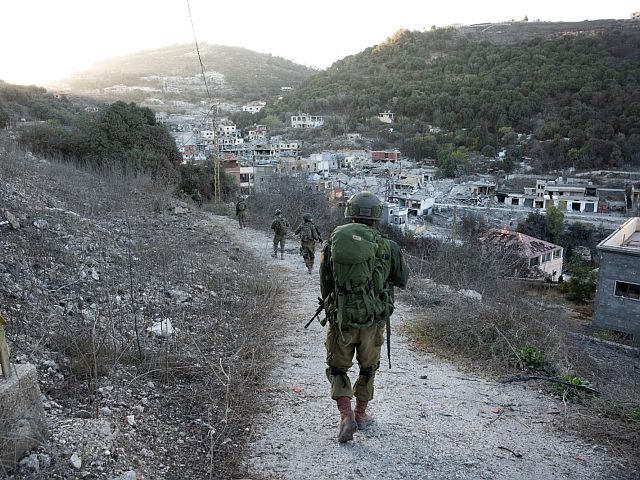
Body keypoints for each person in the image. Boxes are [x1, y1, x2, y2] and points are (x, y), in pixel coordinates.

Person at [319, 191, 409, 443]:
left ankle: (346, 415)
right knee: (368, 368)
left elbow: (325, 284)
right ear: (377, 216)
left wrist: (335, 307)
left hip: (342, 318)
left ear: (349, 212)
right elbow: (402, 280)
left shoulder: (333, 243)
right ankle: (360, 414)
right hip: (373, 321)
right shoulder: (387, 246)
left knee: (338, 368)